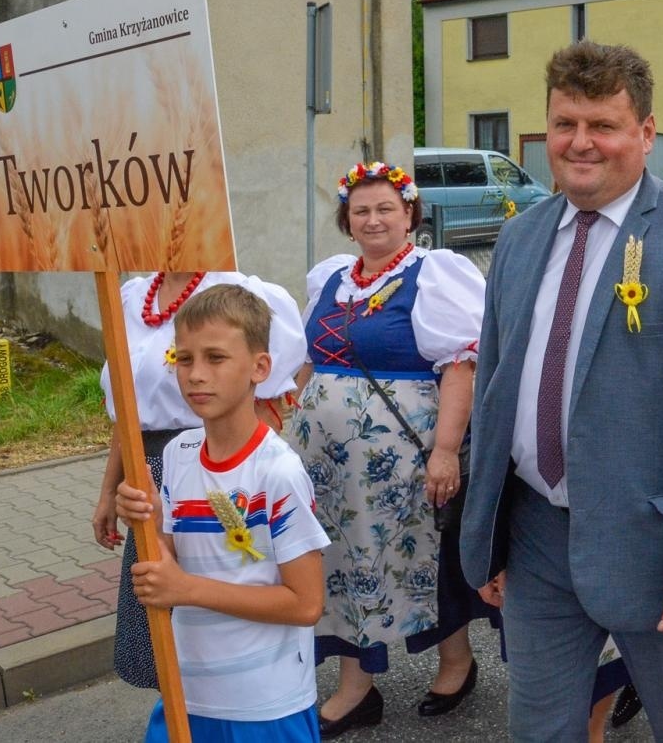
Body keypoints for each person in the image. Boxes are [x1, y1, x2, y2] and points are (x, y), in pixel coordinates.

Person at [460, 41, 663, 743]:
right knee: (539, 731)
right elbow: (495, 388)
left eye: (602, 125)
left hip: (661, 551)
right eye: (565, 124)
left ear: (645, 133)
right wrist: (486, 537)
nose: (581, 143)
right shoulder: (519, 237)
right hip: (537, 535)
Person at [287, 161, 491, 736]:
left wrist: (445, 451)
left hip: (399, 457)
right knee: (340, 562)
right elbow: (305, 364)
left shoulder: (436, 274)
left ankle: (456, 661)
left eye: (385, 208)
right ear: (347, 221)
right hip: (324, 463)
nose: (373, 220)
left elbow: (460, 367)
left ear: (409, 215)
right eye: (361, 211)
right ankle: (359, 688)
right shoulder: (329, 278)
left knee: (420, 561)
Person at [113, 284, 331, 743]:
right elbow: (172, 558)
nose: (195, 375)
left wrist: (186, 589)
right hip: (186, 694)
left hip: (264, 705)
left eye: (215, 358)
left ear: (260, 367)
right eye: (184, 359)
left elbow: (306, 603)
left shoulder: (277, 472)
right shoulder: (178, 453)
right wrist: (150, 518)